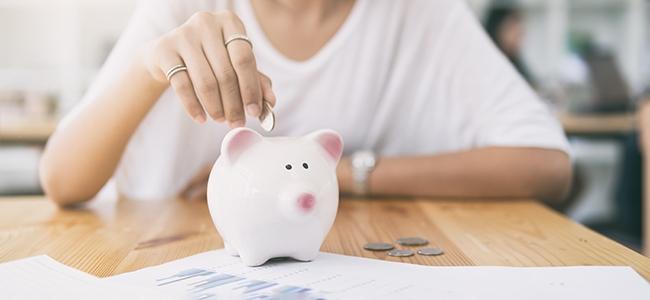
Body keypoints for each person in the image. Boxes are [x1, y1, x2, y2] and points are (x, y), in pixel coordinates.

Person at [40, 0, 572, 205]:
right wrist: (145, 68)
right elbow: (62, 181)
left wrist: (335, 175)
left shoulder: (419, 13)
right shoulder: (186, 10)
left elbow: (547, 166)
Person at [484, 2, 532, 83]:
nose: (520, 31)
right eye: (513, 23)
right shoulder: (488, 64)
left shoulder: (516, 62)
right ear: (498, 27)